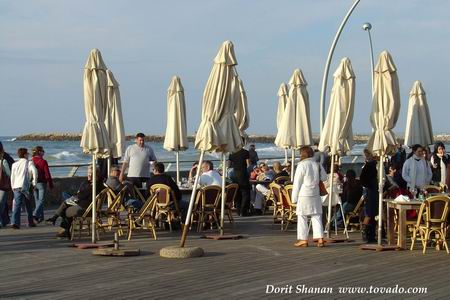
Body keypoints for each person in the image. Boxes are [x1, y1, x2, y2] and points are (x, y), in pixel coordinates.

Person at [46, 165, 104, 238]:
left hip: (86, 209)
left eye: (91, 173)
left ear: (96, 174)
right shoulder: (97, 183)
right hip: (89, 207)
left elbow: (80, 196)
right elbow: (80, 194)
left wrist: (80, 193)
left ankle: (64, 229)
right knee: (67, 202)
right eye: (88, 173)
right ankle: (62, 227)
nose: (89, 175)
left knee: (66, 209)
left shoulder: (94, 186)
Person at [291, 146, 327, 247]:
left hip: (304, 194)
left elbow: (297, 183)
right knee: (316, 216)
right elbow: (324, 177)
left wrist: (294, 198)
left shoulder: (302, 165)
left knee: (302, 216)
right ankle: (320, 238)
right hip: (315, 193)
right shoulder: (317, 164)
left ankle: (303, 239)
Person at [10, 148, 38, 229]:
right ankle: (30, 222)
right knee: (28, 205)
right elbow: (35, 172)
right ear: (25, 155)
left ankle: (15, 223)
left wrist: (13, 187)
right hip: (26, 187)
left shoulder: (14, 164)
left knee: (17, 205)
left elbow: (12, 177)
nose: (28, 155)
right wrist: (34, 183)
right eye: (27, 154)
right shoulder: (29, 163)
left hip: (16, 186)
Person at [359, 149, 378, 243]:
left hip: (373, 190)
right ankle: (367, 234)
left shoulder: (372, 165)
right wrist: (370, 185)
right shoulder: (369, 165)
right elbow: (362, 179)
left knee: (372, 213)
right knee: (370, 213)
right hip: (371, 191)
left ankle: (370, 235)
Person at [31, 146, 53, 223]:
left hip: (33, 183)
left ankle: (40, 217)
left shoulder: (31, 161)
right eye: (43, 151)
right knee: (41, 200)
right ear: (39, 152)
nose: (44, 152)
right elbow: (47, 174)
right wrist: (50, 184)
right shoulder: (43, 161)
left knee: (37, 201)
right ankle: (35, 213)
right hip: (41, 183)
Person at [228, 144, 251, 216]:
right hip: (243, 173)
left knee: (237, 192)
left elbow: (229, 165)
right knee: (245, 193)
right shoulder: (245, 152)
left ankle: (238, 211)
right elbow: (248, 165)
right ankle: (243, 211)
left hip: (234, 173)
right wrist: (249, 173)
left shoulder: (232, 152)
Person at [0, 144, 12, 227]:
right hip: (3, 184)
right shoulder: (5, 158)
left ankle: (4, 221)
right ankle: (4, 221)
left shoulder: (5, 158)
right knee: (2, 203)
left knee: (2, 204)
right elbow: (9, 173)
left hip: (2, 185)